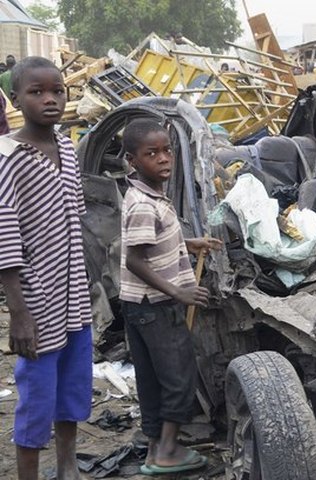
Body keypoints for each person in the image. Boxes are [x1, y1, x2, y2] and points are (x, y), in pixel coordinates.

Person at [0, 56, 93, 480]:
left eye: (57, 90)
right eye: (36, 92)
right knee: (37, 395)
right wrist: (18, 313)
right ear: (15, 98)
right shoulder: (9, 157)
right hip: (37, 300)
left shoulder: (69, 150)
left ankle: (68, 467)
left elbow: (78, 217)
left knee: (73, 387)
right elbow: (4, 235)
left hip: (76, 295)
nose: (50, 99)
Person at [119, 118, 222, 475]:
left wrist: (190, 244)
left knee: (151, 378)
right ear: (132, 160)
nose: (163, 159)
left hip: (139, 306)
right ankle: (167, 451)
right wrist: (178, 291)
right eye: (152, 153)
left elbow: (152, 244)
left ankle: (154, 448)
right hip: (156, 306)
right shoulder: (144, 204)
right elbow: (134, 259)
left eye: (167, 151)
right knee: (180, 376)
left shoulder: (146, 194)